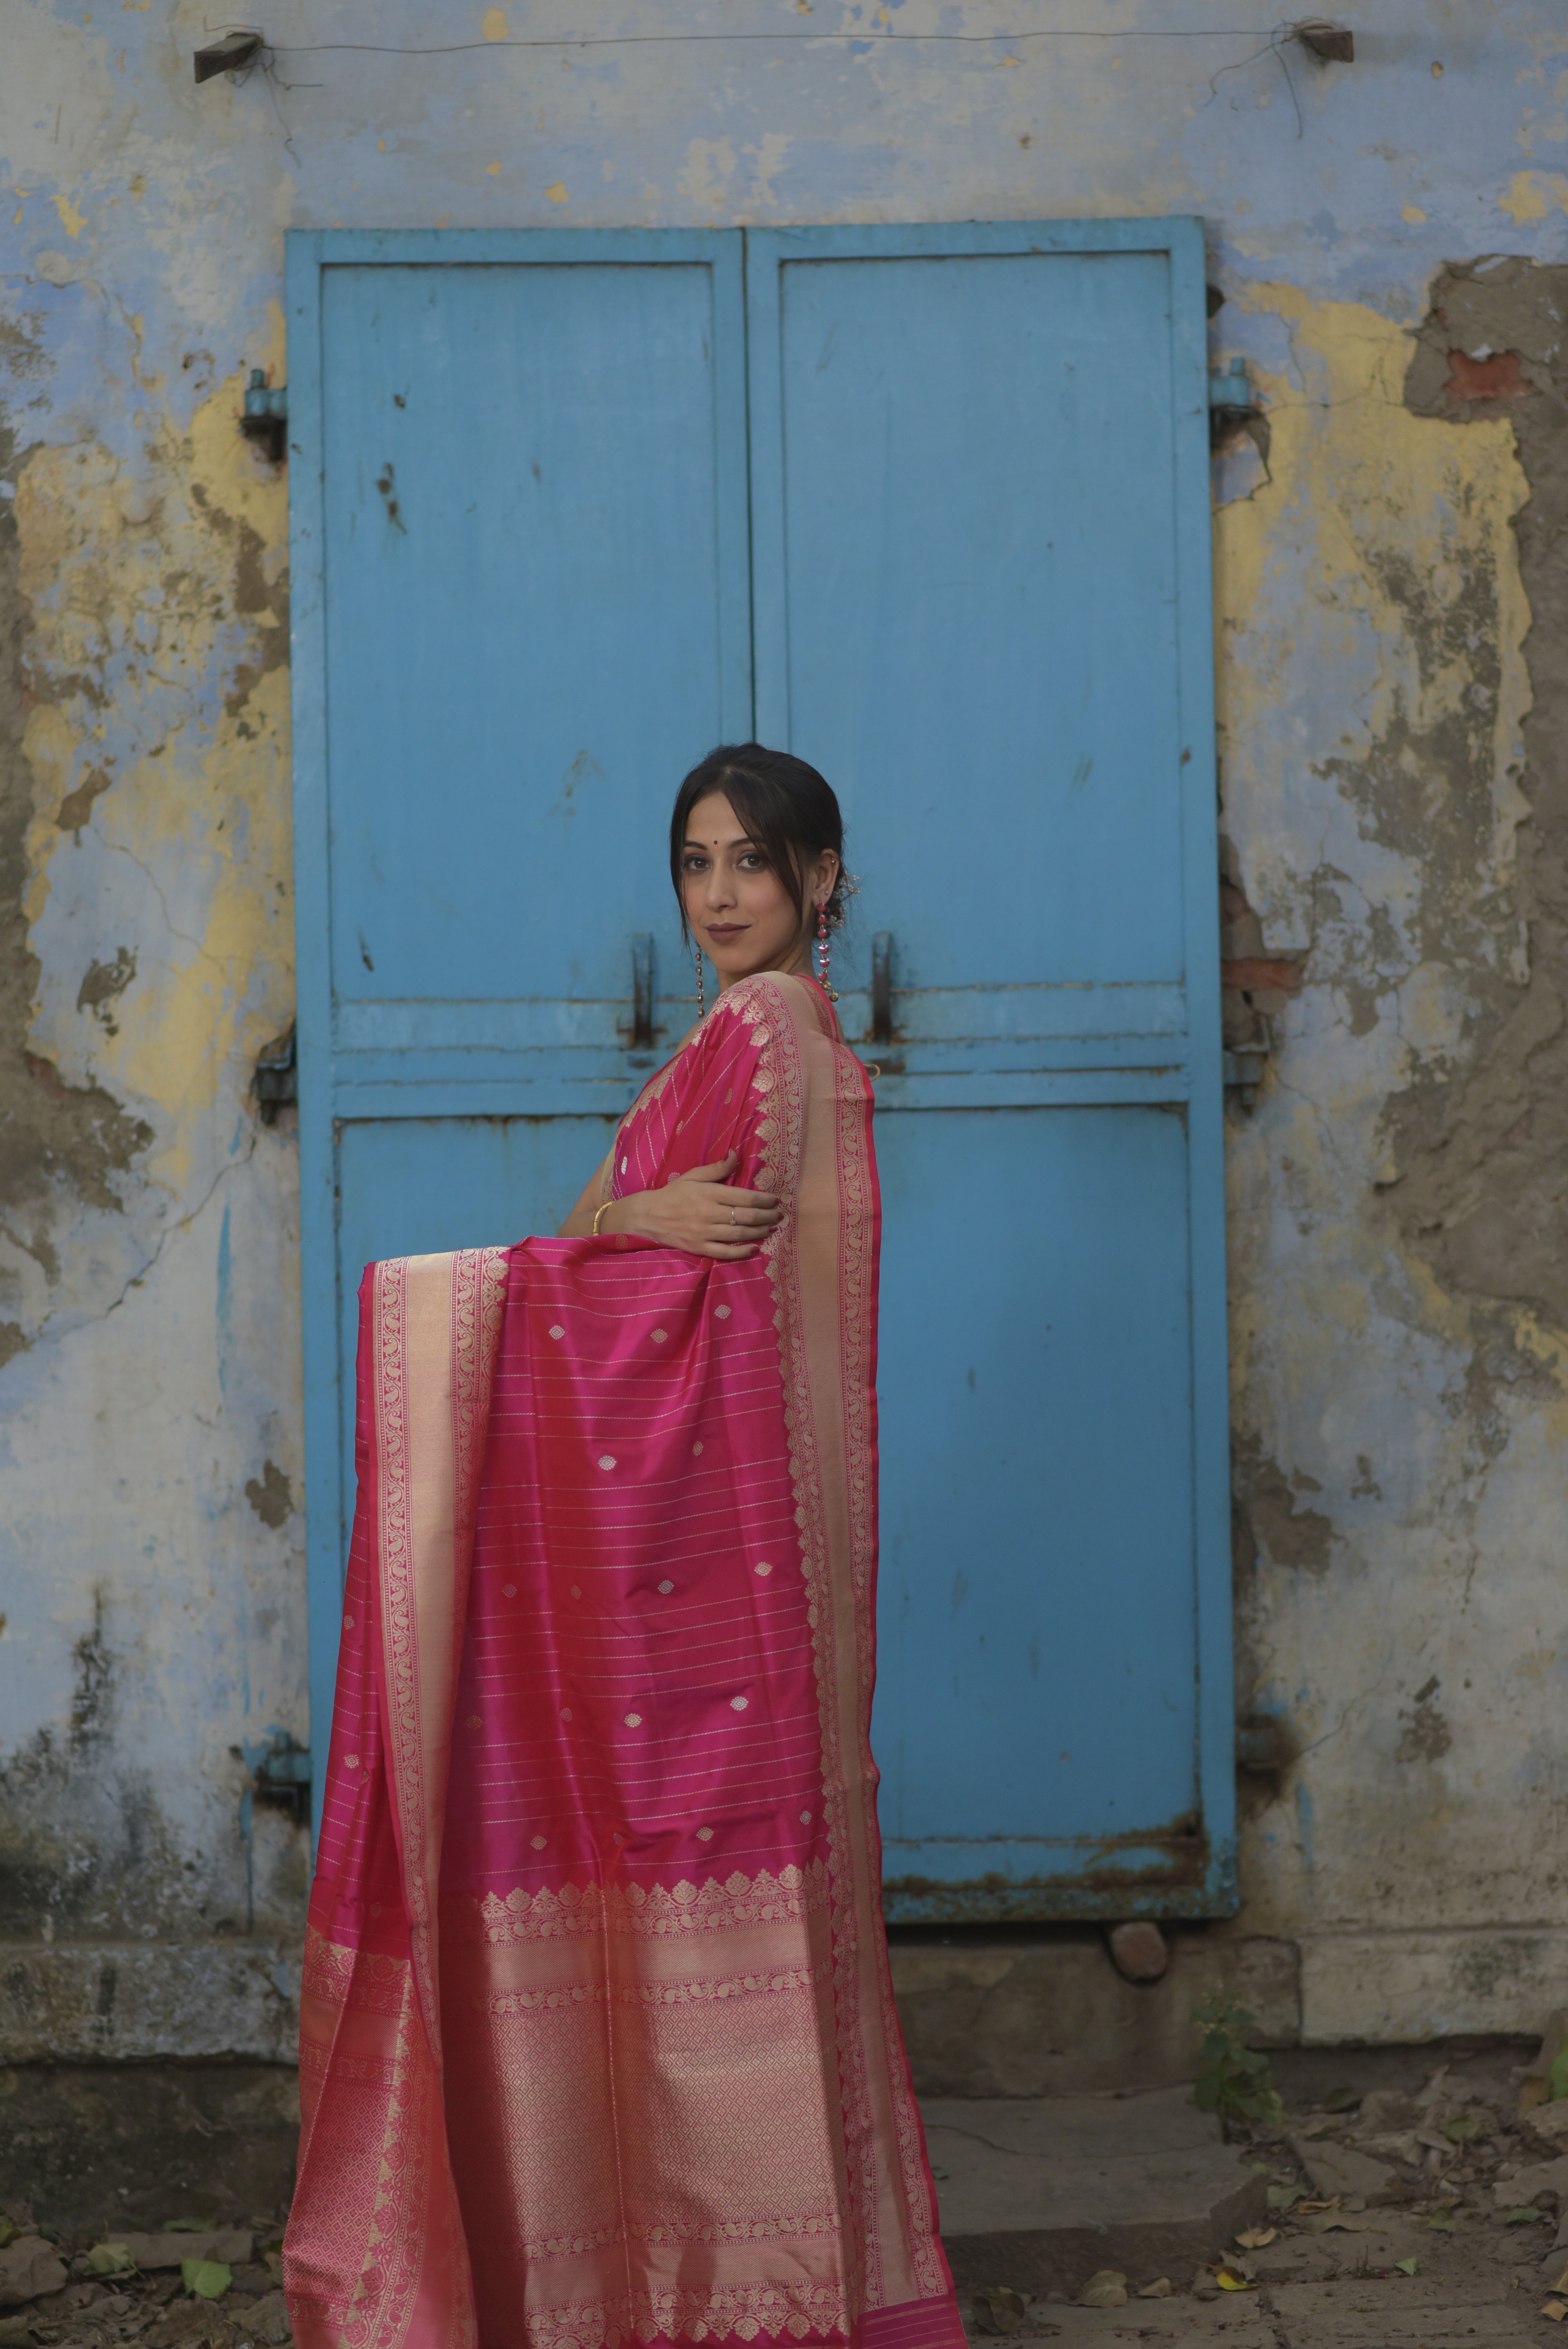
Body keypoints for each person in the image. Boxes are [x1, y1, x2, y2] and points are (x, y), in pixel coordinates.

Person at [285, 745, 963, 2349]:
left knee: (655, 1882)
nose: (721, 895)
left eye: (753, 863)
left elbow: (594, 1227)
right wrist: (645, 1224)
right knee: (785, 1918)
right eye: (696, 863)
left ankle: (673, 2293)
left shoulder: (751, 1030)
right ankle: (818, 2285)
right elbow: (637, 1234)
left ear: (824, 880)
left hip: (707, 1600)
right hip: (776, 1591)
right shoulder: (821, 1046)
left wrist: (618, 1225)